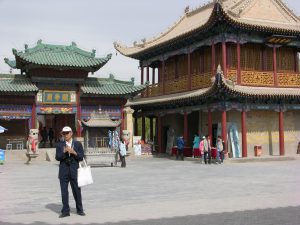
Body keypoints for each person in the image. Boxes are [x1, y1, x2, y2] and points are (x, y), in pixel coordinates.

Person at [55, 126, 85, 218]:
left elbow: (81, 157)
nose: (65, 135)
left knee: (77, 190)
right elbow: (57, 157)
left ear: (71, 133)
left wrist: (74, 152)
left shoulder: (77, 144)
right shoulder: (60, 144)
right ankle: (65, 211)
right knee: (64, 192)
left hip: (74, 170)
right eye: (64, 133)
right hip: (63, 171)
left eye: (67, 133)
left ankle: (80, 210)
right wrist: (64, 152)